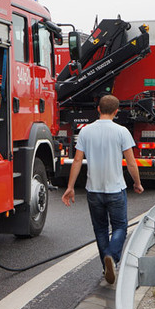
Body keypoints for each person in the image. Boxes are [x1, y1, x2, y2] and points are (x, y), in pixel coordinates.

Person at [61, 95, 144, 285]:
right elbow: (131, 163)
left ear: (98, 109)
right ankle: (112, 257)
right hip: (116, 189)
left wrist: (70, 187)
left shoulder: (85, 132)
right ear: (116, 112)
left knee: (100, 229)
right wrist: (137, 183)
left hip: (94, 190)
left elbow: (77, 161)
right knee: (120, 227)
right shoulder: (121, 131)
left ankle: (105, 265)